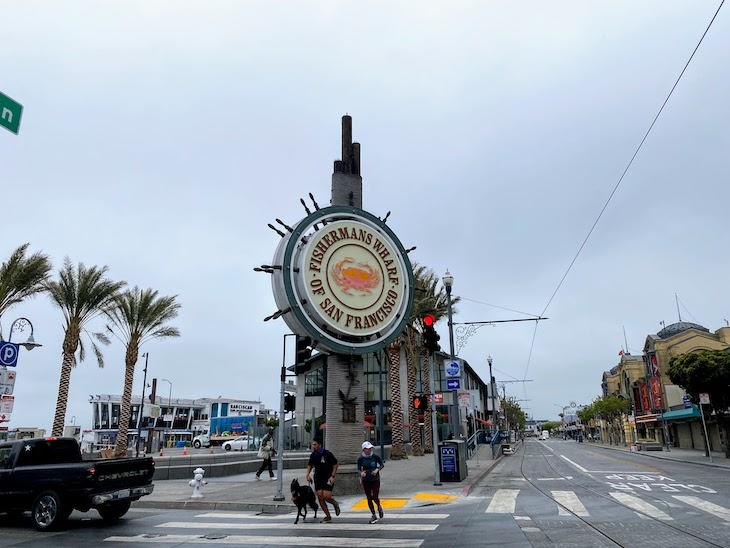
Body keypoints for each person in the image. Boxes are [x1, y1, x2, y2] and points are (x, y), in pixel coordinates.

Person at [305, 435, 340, 523]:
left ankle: (335, 503)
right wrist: (307, 474)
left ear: (319, 445)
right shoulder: (313, 455)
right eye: (312, 444)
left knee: (326, 496)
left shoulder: (327, 453)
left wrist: (333, 476)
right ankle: (328, 516)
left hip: (328, 477)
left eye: (315, 444)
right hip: (318, 478)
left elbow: (335, 464)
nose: (313, 446)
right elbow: (310, 465)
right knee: (320, 496)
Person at [357, 441, 384, 524]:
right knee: (369, 498)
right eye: (367, 449)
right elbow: (358, 469)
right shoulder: (360, 459)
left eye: (370, 449)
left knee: (375, 497)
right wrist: (361, 473)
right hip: (366, 480)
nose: (369, 450)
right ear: (363, 449)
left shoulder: (375, 456)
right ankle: (373, 515)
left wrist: (377, 470)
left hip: (375, 479)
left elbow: (382, 464)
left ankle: (379, 506)